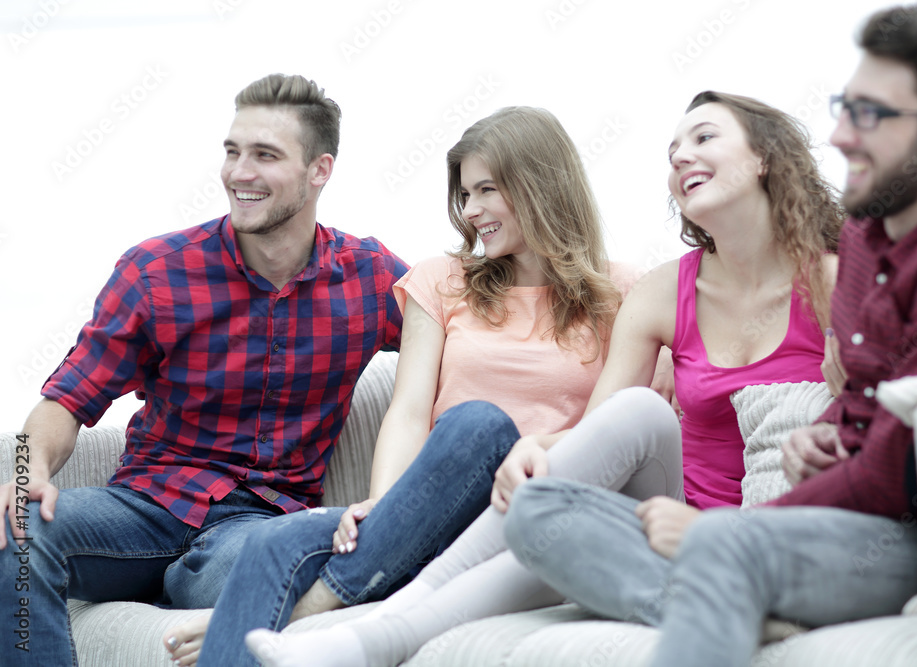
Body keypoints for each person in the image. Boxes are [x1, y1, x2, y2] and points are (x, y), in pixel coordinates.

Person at [243, 89, 844, 667]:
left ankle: (372, 629)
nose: (681, 156)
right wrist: (520, 457)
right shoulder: (665, 291)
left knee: (587, 458)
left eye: (704, 137)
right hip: (594, 511)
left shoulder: (829, 284)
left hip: (720, 526)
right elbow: (596, 422)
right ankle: (359, 622)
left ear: (764, 156)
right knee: (584, 437)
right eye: (672, 151)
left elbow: (876, 419)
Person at [513, 6, 917, 667]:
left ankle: (727, 578)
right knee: (539, 510)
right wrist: (829, 428)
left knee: (725, 547)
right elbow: (869, 404)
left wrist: (724, 530)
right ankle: (744, 605)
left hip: (912, 540)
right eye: (845, 106)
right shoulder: (862, 235)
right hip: (829, 524)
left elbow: (890, 478)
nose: (842, 135)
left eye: (872, 115)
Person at [158, 105, 643, 667]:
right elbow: (409, 411)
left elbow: (619, 430)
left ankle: (313, 609)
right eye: (465, 194)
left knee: (477, 424)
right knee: (272, 541)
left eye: (487, 190)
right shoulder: (442, 280)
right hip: (429, 513)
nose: (472, 210)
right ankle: (349, 585)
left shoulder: (624, 293)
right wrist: (382, 506)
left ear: (540, 185)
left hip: (534, 510)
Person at [0, 73, 409, 667]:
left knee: (279, 561)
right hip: (143, 509)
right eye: (232, 151)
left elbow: (463, 341)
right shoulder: (155, 272)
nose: (239, 172)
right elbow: (64, 401)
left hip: (255, 529)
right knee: (20, 527)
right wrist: (23, 472)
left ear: (319, 170)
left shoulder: (369, 278)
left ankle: (193, 594)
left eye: (265, 155)